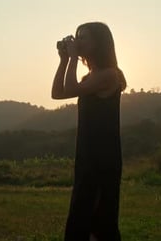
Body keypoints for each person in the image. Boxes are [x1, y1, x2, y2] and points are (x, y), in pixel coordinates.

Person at [51, 22, 127, 241]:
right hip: (87, 153)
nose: (78, 41)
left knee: (99, 217)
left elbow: (72, 89)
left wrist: (73, 58)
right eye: (77, 37)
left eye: (84, 37)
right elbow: (57, 93)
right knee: (81, 212)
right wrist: (64, 60)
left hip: (102, 156)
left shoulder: (109, 75)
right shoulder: (89, 78)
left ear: (99, 43)